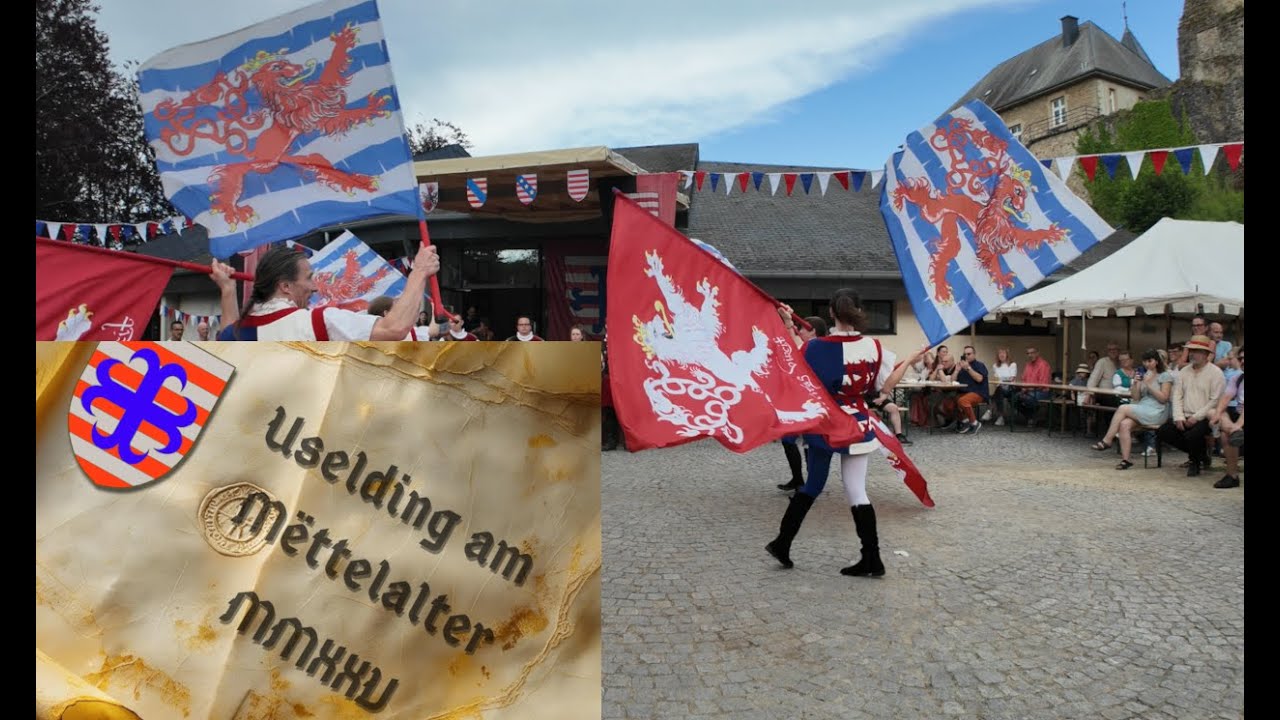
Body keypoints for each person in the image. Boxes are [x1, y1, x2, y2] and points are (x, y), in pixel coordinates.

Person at [766, 288, 925, 577]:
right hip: (859, 427)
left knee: (813, 485)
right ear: (860, 310)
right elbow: (884, 388)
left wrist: (787, 324)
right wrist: (911, 357)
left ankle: (783, 543)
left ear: (831, 313)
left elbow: (792, 366)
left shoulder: (814, 348)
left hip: (825, 427)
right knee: (856, 491)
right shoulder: (875, 348)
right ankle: (871, 558)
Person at [212, 243, 440, 340]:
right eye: (309, 278)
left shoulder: (236, 333)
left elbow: (227, 337)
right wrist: (419, 271)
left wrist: (228, 291)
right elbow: (394, 328)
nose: (314, 287)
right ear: (285, 286)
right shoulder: (318, 321)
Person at [1156, 335, 1226, 478]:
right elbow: (1177, 395)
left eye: (1198, 351)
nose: (1193, 354)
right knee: (1163, 431)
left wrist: (1196, 417)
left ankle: (1195, 462)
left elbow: (1215, 400)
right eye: (1191, 350)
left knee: (1193, 435)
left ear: (1206, 354)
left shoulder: (1216, 373)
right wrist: (1179, 416)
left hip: (1206, 416)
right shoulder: (1184, 371)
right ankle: (1201, 455)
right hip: (1185, 414)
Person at [1091, 350, 1174, 469]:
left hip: (1158, 410)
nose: (1147, 364)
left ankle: (1107, 440)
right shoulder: (1145, 374)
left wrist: (1149, 385)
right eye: (1145, 361)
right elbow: (1136, 397)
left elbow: (1164, 398)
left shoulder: (1165, 375)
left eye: (1150, 361)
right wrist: (1135, 384)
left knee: (1122, 408)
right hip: (1143, 407)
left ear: (1156, 361)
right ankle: (1125, 460)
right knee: (1124, 424)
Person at [1210, 346, 1244, 489]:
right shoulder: (1238, 378)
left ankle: (1234, 431)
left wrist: (1239, 424)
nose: (1243, 361)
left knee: (1228, 433)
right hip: (1239, 413)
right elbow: (1226, 398)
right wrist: (1217, 414)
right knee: (1217, 415)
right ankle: (1232, 476)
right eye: (1241, 358)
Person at [953, 346, 989, 435]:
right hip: (963, 392)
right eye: (965, 354)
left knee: (963, 400)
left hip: (978, 393)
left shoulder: (979, 365)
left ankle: (974, 423)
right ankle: (965, 422)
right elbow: (953, 381)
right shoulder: (961, 366)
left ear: (974, 354)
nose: (966, 356)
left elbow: (979, 379)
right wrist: (957, 371)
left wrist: (968, 368)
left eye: (969, 354)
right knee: (950, 402)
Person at [983, 348, 1017, 426]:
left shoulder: (1012, 364)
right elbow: (996, 379)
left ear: (1007, 355)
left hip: (1010, 388)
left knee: (998, 391)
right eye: (1000, 353)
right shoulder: (995, 366)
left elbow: (1012, 378)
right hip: (1000, 389)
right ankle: (1000, 417)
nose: (1001, 355)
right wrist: (1000, 381)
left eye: (1003, 353)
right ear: (997, 356)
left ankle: (990, 411)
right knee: (999, 391)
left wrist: (1001, 381)